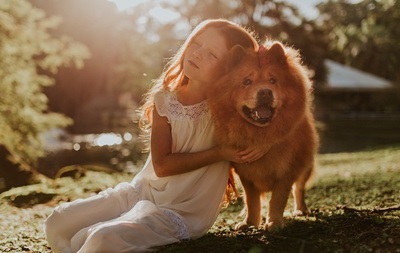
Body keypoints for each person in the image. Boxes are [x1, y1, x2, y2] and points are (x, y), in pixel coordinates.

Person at [44, 18, 264, 253]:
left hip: (182, 210)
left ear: (231, 69)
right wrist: (219, 153)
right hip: (144, 191)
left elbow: (272, 127)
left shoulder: (230, 108)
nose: (198, 54)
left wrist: (265, 146)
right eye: (196, 43)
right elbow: (162, 166)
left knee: (102, 239)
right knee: (58, 221)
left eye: (212, 54)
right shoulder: (165, 99)